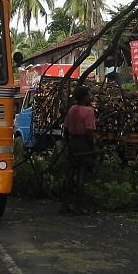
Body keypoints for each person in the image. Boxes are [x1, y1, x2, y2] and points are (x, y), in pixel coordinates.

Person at [60, 86, 97, 215]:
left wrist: (68, 143)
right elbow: (88, 131)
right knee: (81, 175)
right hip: (83, 144)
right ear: (84, 97)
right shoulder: (88, 111)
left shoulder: (72, 110)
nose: (91, 97)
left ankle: (64, 204)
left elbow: (65, 129)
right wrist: (92, 147)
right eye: (89, 95)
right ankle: (78, 206)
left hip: (72, 142)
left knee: (69, 174)